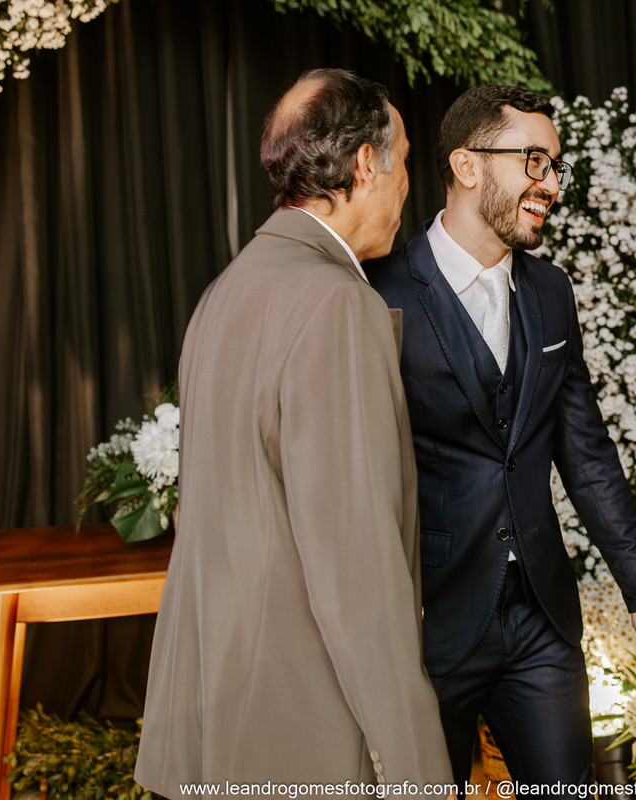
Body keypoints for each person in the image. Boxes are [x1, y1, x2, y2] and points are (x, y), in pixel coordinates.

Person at [136, 69, 452, 798]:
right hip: (302, 729)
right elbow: (358, 569)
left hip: (213, 720)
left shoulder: (225, 292)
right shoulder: (336, 304)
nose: (409, 186)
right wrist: (420, 774)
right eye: (404, 161)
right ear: (366, 164)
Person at [366, 85, 636, 793]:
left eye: (556, 166)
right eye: (534, 161)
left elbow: (587, 454)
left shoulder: (550, 292)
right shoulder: (379, 292)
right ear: (467, 166)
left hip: (540, 618)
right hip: (427, 625)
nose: (552, 185)